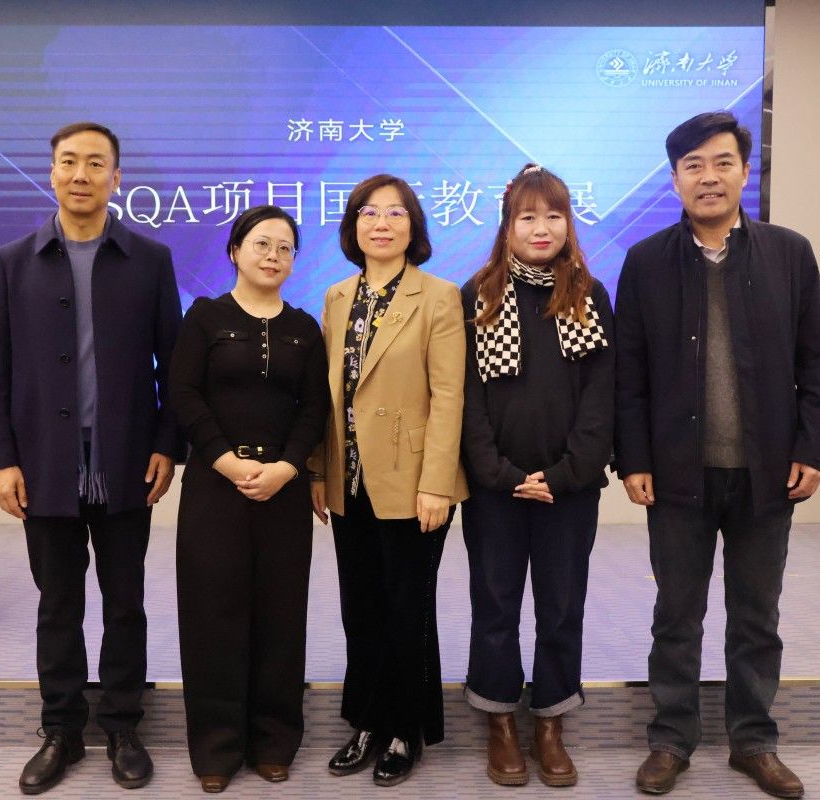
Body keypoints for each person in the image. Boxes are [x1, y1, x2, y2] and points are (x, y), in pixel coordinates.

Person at [615, 111, 820, 799]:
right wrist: (633, 460)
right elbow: (629, 374)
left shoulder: (789, 253)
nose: (708, 177)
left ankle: (754, 741)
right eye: (693, 166)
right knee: (676, 616)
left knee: (756, 616)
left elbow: (819, 361)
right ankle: (671, 740)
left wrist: (814, 449)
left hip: (766, 473)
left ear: (745, 171)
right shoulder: (645, 261)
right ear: (675, 179)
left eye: (721, 163)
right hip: (677, 474)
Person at [0, 121, 184, 794]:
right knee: (57, 604)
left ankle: (123, 724)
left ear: (115, 178)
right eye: (68, 162)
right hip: (45, 465)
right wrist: (2, 460)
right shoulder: (14, 261)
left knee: (126, 601)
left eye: (96, 164)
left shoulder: (149, 260)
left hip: (126, 462)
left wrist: (167, 445)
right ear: (51, 173)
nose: (80, 175)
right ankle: (61, 729)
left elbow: (174, 367)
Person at [309, 174, 468, 787]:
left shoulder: (439, 297)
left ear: (413, 227)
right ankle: (367, 722)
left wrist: (437, 483)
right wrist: (319, 471)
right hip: (348, 480)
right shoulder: (336, 297)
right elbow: (329, 395)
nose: (381, 223)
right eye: (369, 213)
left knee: (408, 609)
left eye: (395, 213)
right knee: (361, 608)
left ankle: (406, 729)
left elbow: (449, 396)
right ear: (353, 226)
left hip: (414, 481)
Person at [459, 163, 614, 787]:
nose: (541, 228)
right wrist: (498, 473)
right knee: (494, 605)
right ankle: (499, 721)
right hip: (495, 489)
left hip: (568, 490)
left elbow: (602, 395)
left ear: (568, 223)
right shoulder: (477, 294)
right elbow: (465, 397)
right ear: (507, 225)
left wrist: (567, 472)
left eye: (553, 215)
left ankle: (550, 721)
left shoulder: (588, 295)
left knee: (562, 606)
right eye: (527, 217)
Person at [168, 206, 329, 793]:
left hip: (283, 491)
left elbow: (315, 407)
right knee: (213, 616)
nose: (273, 256)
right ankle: (216, 748)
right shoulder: (205, 317)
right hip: (216, 487)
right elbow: (183, 392)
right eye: (262, 244)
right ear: (235, 251)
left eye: (285, 248)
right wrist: (226, 460)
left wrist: (288, 467)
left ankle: (273, 741)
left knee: (280, 617)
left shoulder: (305, 328)